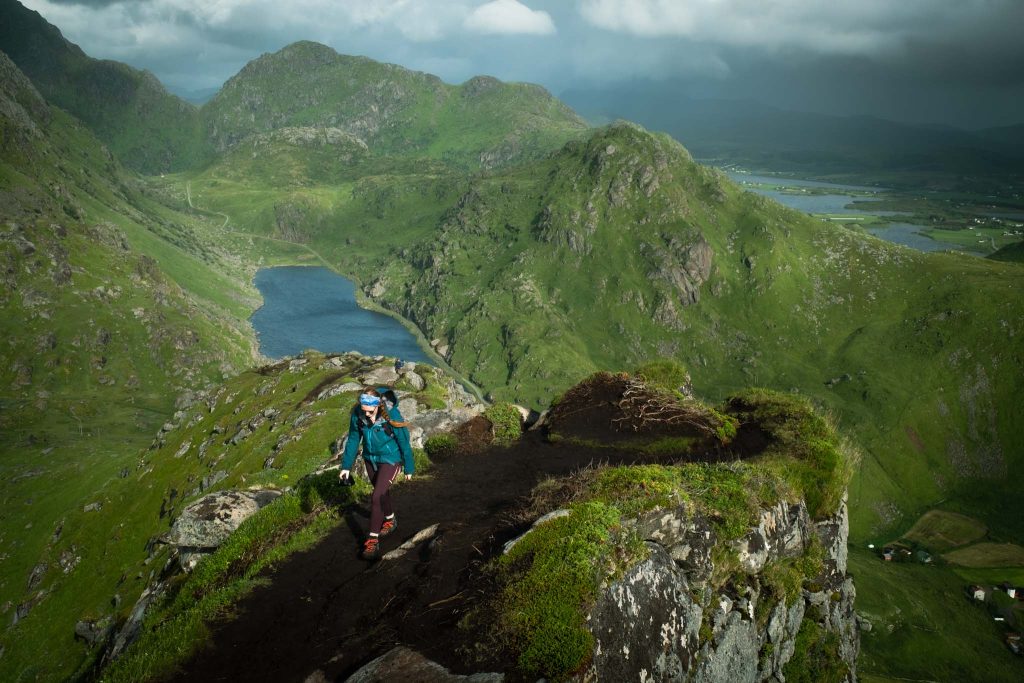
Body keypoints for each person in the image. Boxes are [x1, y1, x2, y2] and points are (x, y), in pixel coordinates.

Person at [339, 387, 414, 559]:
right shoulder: (357, 414)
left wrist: (408, 466)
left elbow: (404, 441)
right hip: (370, 460)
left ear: (378, 406)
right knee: (382, 493)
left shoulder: (392, 415)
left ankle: (372, 540)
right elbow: (353, 439)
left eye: (369, 411)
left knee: (376, 496)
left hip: (391, 459)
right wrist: (345, 466)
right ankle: (390, 519)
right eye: (363, 410)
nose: (365, 414)